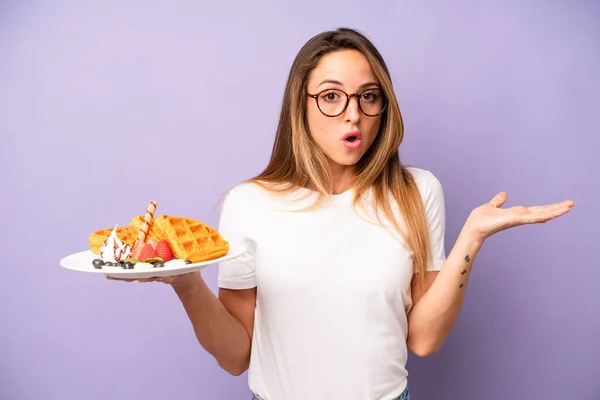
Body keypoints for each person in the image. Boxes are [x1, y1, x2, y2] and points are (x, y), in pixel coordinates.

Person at [108, 28, 574, 400]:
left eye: (368, 96)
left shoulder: (418, 191)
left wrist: (470, 240)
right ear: (301, 106)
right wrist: (188, 284)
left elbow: (425, 340)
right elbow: (235, 356)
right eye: (331, 96)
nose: (353, 114)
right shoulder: (250, 203)